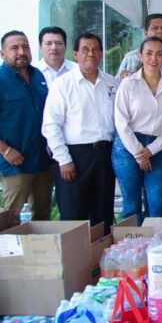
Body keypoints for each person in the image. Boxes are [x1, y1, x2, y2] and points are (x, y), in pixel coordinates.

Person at [0, 30, 53, 219]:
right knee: (11, 218)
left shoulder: (38, 75)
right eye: (14, 48)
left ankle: (38, 241)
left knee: (43, 215)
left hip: (42, 161)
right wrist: (5, 150)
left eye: (25, 47)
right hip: (15, 164)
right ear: (2, 53)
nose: (21, 52)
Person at [41, 33, 118, 232]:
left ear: (101, 53)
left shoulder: (112, 83)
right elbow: (51, 125)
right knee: (74, 216)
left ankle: (101, 251)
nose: (90, 54)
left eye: (95, 49)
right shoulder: (63, 84)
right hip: (75, 156)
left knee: (103, 215)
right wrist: (63, 160)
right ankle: (76, 253)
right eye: (85, 49)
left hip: (105, 155)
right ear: (75, 54)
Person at [113, 36, 162, 218]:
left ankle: (155, 237)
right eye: (149, 53)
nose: (153, 58)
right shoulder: (128, 84)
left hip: (157, 146)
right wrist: (138, 152)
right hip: (128, 146)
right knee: (132, 203)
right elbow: (121, 121)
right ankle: (134, 237)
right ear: (140, 56)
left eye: (159, 54)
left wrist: (151, 150)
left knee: (159, 202)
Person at [117, 13, 162, 78]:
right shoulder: (131, 57)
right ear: (146, 33)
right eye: (155, 28)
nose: (160, 31)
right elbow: (116, 83)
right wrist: (123, 77)